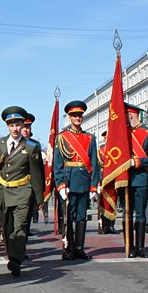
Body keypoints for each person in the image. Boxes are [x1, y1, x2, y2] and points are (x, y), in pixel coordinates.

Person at [0, 106, 45, 276]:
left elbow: (37, 174)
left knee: (20, 227)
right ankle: (12, 254)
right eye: (11, 125)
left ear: (23, 125)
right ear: (7, 126)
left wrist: (39, 199)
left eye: (18, 125)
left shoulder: (31, 147)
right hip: (4, 192)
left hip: (23, 191)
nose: (15, 128)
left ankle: (16, 259)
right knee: (7, 228)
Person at [53, 100, 98, 260]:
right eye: (74, 115)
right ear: (69, 117)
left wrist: (94, 186)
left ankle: (79, 247)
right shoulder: (62, 138)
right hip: (69, 181)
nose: (78, 118)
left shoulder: (90, 138)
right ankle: (68, 248)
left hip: (84, 181)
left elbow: (95, 163)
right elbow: (57, 164)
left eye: (80, 115)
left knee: (81, 216)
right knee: (68, 216)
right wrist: (60, 185)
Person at [124, 102, 148, 258]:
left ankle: (140, 247)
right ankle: (129, 247)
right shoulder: (123, 132)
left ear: (130, 115)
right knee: (127, 214)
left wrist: (138, 162)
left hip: (141, 177)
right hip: (124, 178)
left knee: (140, 214)